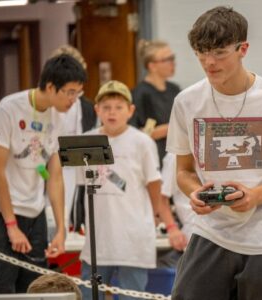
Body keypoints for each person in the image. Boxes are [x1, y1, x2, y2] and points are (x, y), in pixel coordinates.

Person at [166, 6, 262, 300]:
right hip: (210, 233)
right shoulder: (186, 102)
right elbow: (183, 171)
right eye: (201, 52)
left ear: (242, 48)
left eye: (220, 52)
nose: (209, 62)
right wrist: (195, 193)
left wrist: (256, 196)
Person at [0, 54, 87, 294]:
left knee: (34, 289)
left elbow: (55, 176)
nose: (73, 100)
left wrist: (60, 228)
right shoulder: (9, 109)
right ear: (50, 86)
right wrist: (11, 225)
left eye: (77, 93)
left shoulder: (60, 117)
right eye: (69, 92)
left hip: (34, 213)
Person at [77, 80, 186, 300]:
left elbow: (155, 187)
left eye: (119, 107)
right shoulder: (86, 141)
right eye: (106, 107)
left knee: (132, 296)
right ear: (97, 110)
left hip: (133, 238)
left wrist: (167, 223)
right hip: (98, 241)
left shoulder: (142, 142)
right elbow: (81, 187)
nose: (112, 113)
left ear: (130, 110)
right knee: (88, 295)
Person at [49, 45, 98, 232]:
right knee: (53, 216)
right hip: (50, 168)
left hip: (77, 168)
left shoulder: (87, 107)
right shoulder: (49, 106)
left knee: (77, 216)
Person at [130, 39, 180, 164]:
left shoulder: (174, 89)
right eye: (166, 59)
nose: (172, 63)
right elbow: (135, 133)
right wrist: (169, 129)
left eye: (172, 58)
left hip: (175, 157)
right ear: (152, 66)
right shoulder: (140, 94)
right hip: (153, 159)